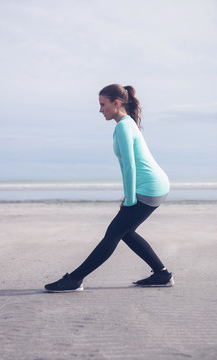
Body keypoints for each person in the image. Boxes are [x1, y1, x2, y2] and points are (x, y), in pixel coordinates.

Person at [44, 84, 174, 292]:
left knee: (113, 234)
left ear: (116, 103)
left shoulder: (123, 126)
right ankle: (162, 274)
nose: (100, 109)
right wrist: (129, 194)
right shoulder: (126, 124)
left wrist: (131, 199)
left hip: (150, 187)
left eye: (103, 104)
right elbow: (126, 167)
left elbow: (131, 165)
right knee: (126, 232)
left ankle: (75, 279)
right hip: (153, 185)